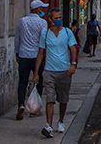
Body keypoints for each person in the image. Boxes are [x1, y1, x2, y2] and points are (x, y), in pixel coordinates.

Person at [33, 8, 77, 138]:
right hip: (49, 71)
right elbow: (41, 53)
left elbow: (73, 49)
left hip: (65, 71)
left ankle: (61, 121)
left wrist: (73, 64)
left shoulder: (67, 32)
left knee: (63, 99)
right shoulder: (45, 34)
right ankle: (49, 125)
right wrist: (36, 72)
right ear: (50, 20)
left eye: (60, 18)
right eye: (56, 18)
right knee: (50, 99)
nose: (58, 20)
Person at [14, 0, 49, 120]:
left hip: (24, 55)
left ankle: (21, 104)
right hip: (37, 57)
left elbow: (17, 39)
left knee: (22, 82)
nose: (43, 10)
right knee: (37, 81)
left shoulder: (22, 21)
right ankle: (35, 108)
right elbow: (43, 40)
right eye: (42, 8)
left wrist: (17, 53)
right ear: (37, 9)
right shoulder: (42, 23)